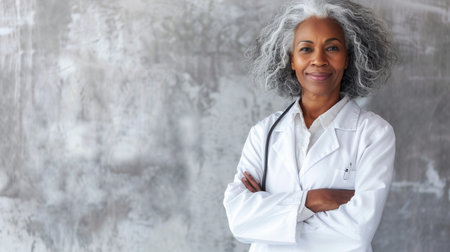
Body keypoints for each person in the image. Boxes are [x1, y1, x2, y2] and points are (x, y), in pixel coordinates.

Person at [223, 0, 397, 251]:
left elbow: (357, 232)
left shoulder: (374, 134)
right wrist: (315, 200)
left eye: (332, 48)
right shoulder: (264, 133)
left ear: (348, 59)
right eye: (306, 49)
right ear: (291, 60)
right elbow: (239, 220)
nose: (319, 60)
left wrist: (271, 216)